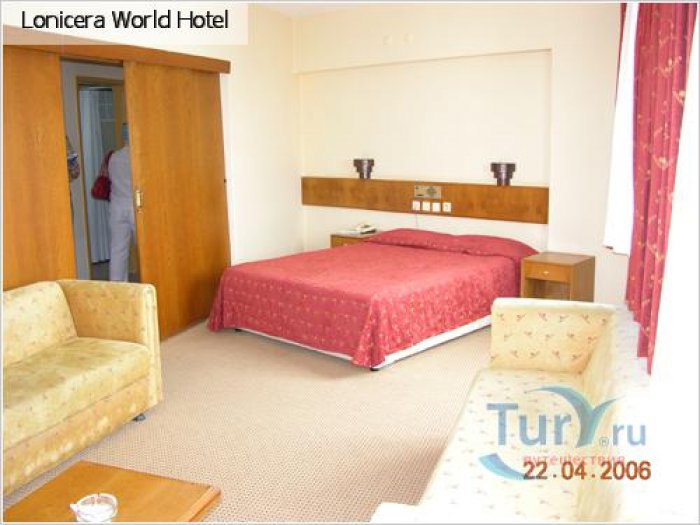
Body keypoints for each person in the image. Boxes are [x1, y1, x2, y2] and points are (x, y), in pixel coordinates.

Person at [108, 123, 135, 281]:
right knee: (145, 249)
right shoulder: (137, 156)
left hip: (117, 206)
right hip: (135, 205)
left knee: (118, 251)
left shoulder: (114, 157)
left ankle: (117, 288)